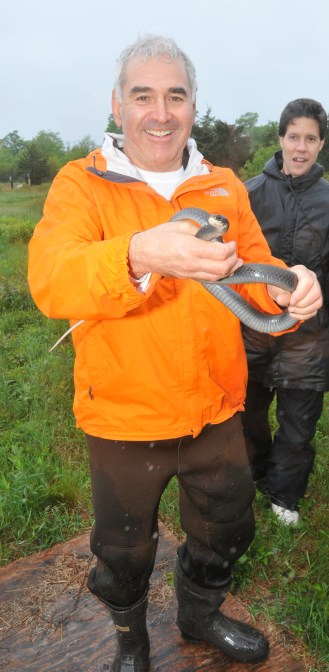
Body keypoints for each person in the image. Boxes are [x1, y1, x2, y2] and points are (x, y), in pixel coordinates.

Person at [28, 37, 322, 671]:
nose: (160, 112)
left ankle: (199, 613)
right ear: (117, 105)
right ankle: (132, 641)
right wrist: (137, 253)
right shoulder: (81, 184)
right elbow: (51, 278)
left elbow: (254, 265)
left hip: (217, 410)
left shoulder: (219, 186)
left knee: (226, 528)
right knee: (123, 551)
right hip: (124, 418)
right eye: (143, 96)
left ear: (192, 106)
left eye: (175, 95)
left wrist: (289, 287)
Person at [242, 98, 329, 526]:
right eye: (293, 136)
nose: (300, 146)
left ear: (321, 144)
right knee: (247, 414)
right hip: (252, 332)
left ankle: (284, 494)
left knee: (298, 424)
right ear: (280, 139)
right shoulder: (248, 193)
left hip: (309, 339)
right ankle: (254, 473)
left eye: (310, 138)